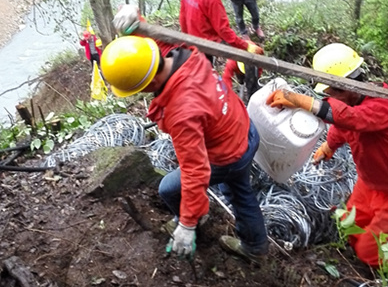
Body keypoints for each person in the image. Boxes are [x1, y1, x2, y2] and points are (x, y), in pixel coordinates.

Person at [265, 43, 388, 277]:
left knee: (370, 251)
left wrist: (301, 100)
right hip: (370, 184)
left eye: (332, 92)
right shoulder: (352, 102)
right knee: (349, 224)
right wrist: (329, 145)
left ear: (347, 86)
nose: (329, 97)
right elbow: (343, 126)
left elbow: (351, 119)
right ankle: (369, 254)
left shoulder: (385, 103)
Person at [100, 35, 268, 262]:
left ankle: (198, 221)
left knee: (169, 189)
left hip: (227, 154)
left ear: (150, 84)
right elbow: (154, 47)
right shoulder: (188, 55)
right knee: (239, 190)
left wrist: (188, 222)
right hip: (243, 128)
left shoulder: (182, 114)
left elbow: (194, 170)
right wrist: (136, 25)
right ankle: (255, 246)